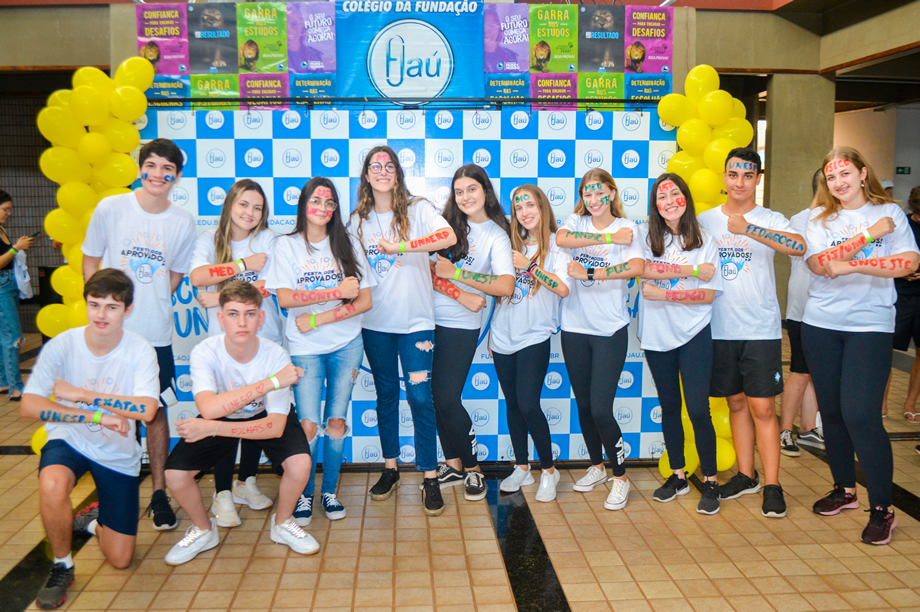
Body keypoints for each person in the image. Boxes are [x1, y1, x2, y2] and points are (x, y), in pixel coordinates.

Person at [21, 269, 159, 609]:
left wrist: (82, 394)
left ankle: (93, 523)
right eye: (94, 304)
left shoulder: (140, 350)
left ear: (127, 310)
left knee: (120, 558)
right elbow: (30, 404)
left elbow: (147, 410)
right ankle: (62, 565)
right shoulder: (63, 345)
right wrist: (95, 415)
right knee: (52, 483)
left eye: (111, 307)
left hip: (117, 453)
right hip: (70, 437)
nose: (101, 315)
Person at [803, 146, 919, 545]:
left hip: (870, 325)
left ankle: (883, 509)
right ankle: (845, 489)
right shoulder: (820, 219)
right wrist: (869, 236)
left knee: (861, 415)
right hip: (821, 325)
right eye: (831, 177)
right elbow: (820, 265)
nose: (839, 183)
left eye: (845, 174)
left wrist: (851, 263)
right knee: (832, 412)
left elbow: (908, 263)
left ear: (863, 173)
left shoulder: (892, 215)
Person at [82, 138, 196, 531]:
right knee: (114, 412)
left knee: (156, 412)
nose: (158, 174)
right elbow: (90, 256)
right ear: (140, 167)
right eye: (151, 165)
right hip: (114, 336)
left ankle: (160, 493)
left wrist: (156, 298)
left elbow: (178, 273)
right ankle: (116, 493)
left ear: (177, 176)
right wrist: (100, 310)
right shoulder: (111, 208)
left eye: (167, 168)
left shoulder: (182, 220)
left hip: (157, 334)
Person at [163, 281, 319, 564]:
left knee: (300, 463)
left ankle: (282, 524)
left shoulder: (276, 355)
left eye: (249, 313)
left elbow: (274, 427)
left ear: (261, 318)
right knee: (175, 474)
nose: (242, 322)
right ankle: (203, 529)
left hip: (259, 416)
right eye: (233, 314)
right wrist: (271, 382)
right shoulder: (204, 351)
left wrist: (215, 428)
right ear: (221, 318)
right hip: (221, 413)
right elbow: (209, 409)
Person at [349, 146, 457, 516]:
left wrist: (402, 246)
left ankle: (429, 475)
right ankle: (390, 467)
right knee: (385, 398)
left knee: (421, 398)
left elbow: (448, 238)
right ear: (366, 175)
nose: (382, 171)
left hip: (415, 324)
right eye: (375, 166)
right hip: (375, 324)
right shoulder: (356, 221)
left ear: (397, 173)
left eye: (389, 165)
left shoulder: (417, 208)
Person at [697, 148, 804, 519]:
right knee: (736, 403)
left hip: (760, 328)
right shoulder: (705, 220)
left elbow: (799, 247)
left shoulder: (771, 218)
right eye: (733, 175)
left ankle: (773, 484)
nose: (739, 182)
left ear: (757, 178)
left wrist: (750, 228)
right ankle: (747, 475)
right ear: (724, 177)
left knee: (762, 407)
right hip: (718, 328)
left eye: (747, 175)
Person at [267, 178, 373, 525]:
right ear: (303, 204)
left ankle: (329, 491)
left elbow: (365, 300)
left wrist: (318, 317)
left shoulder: (349, 243)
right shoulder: (286, 246)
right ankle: (304, 494)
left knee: (337, 422)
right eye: (317, 201)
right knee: (309, 426)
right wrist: (333, 291)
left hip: (346, 345)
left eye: (330, 203)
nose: (324, 208)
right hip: (304, 349)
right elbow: (284, 298)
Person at [188, 179, 280, 528]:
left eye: (257, 208)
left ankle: (247, 482)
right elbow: (197, 276)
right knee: (225, 415)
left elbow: (271, 284)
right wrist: (243, 266)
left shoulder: (268, 239)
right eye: (244, 205)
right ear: (230, 205)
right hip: (222, 344)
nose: (250, 213)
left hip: (264, 338)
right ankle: (222, 493)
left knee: (257, 411)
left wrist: (220, 296)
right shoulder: (209, 239)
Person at [555, 169, 643, 512]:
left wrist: (591, 271)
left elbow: (635, 265)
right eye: (587, 194)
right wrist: (606, 241)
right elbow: (561, 239)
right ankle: (597, 466)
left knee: (601, 408)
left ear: (611, 192)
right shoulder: (576, 221)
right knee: (584, 405)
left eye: (599, 193)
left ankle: (620, 477)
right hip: (574, 328)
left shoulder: (629, 227)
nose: (593, 200)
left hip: (609, 330)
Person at [638, 175, 723, 514]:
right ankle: (678, 475)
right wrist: (690, 270)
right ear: (655, 204)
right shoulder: (647, 237)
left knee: (699, 409)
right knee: (670, 405)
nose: (669, 200)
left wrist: (664, 291)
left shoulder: (705, 239)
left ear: (686, 197)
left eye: (675, 193)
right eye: (662, 195)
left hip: (695, 334)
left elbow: (707, 295)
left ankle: (712, 481)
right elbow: (644, 269)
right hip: (657, 336)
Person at [430, 165, 515, 501]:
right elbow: (426, 269)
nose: (465, 197)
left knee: (448, 397)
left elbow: (505, 285)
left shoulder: (496, 234)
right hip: (423, 319)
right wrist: (459, 291)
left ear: (485, 191)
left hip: (460, 324)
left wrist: (460, 276)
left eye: (472, 189)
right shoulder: (444, 227)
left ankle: (473, 468)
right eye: (459, 191)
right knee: (434, 398)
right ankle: (453, 464)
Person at [491, 185, 567, 502]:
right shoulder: (508, 244)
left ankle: (549, 470)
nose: (524, 211)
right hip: (502, 336)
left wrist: (530, 266)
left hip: (534, 336)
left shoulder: (558, 246)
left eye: (530, 204)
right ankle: (522, 466)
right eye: (518, 206)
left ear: (542, 207)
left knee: (528, 404)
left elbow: (562, 289)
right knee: (512, 405)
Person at [780, 169, 825, 456]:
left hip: (827, 311)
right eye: (829, 181)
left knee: (813, 372)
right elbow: (806, 251)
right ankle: (785, 430)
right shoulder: (800, 220)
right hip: (802, 309)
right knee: (799, 370)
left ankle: (808, 428)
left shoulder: (843, 220)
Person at [886, 186, 920, 421]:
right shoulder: (903, 224)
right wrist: (901, 272)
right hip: (901, 294)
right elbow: (888, 256)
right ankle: (881, 402)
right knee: (886, 350)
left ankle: (910, 403)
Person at [0, 189, 34, 401]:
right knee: (14, 336)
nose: (8, 214)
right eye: (5, 209)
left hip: (8, 284)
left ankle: (4, 381)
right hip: (2, 287)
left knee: (4, 336)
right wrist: (15, 249)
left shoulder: (1, 228)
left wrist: (17, 248)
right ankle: (15, 387)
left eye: (9, 210)